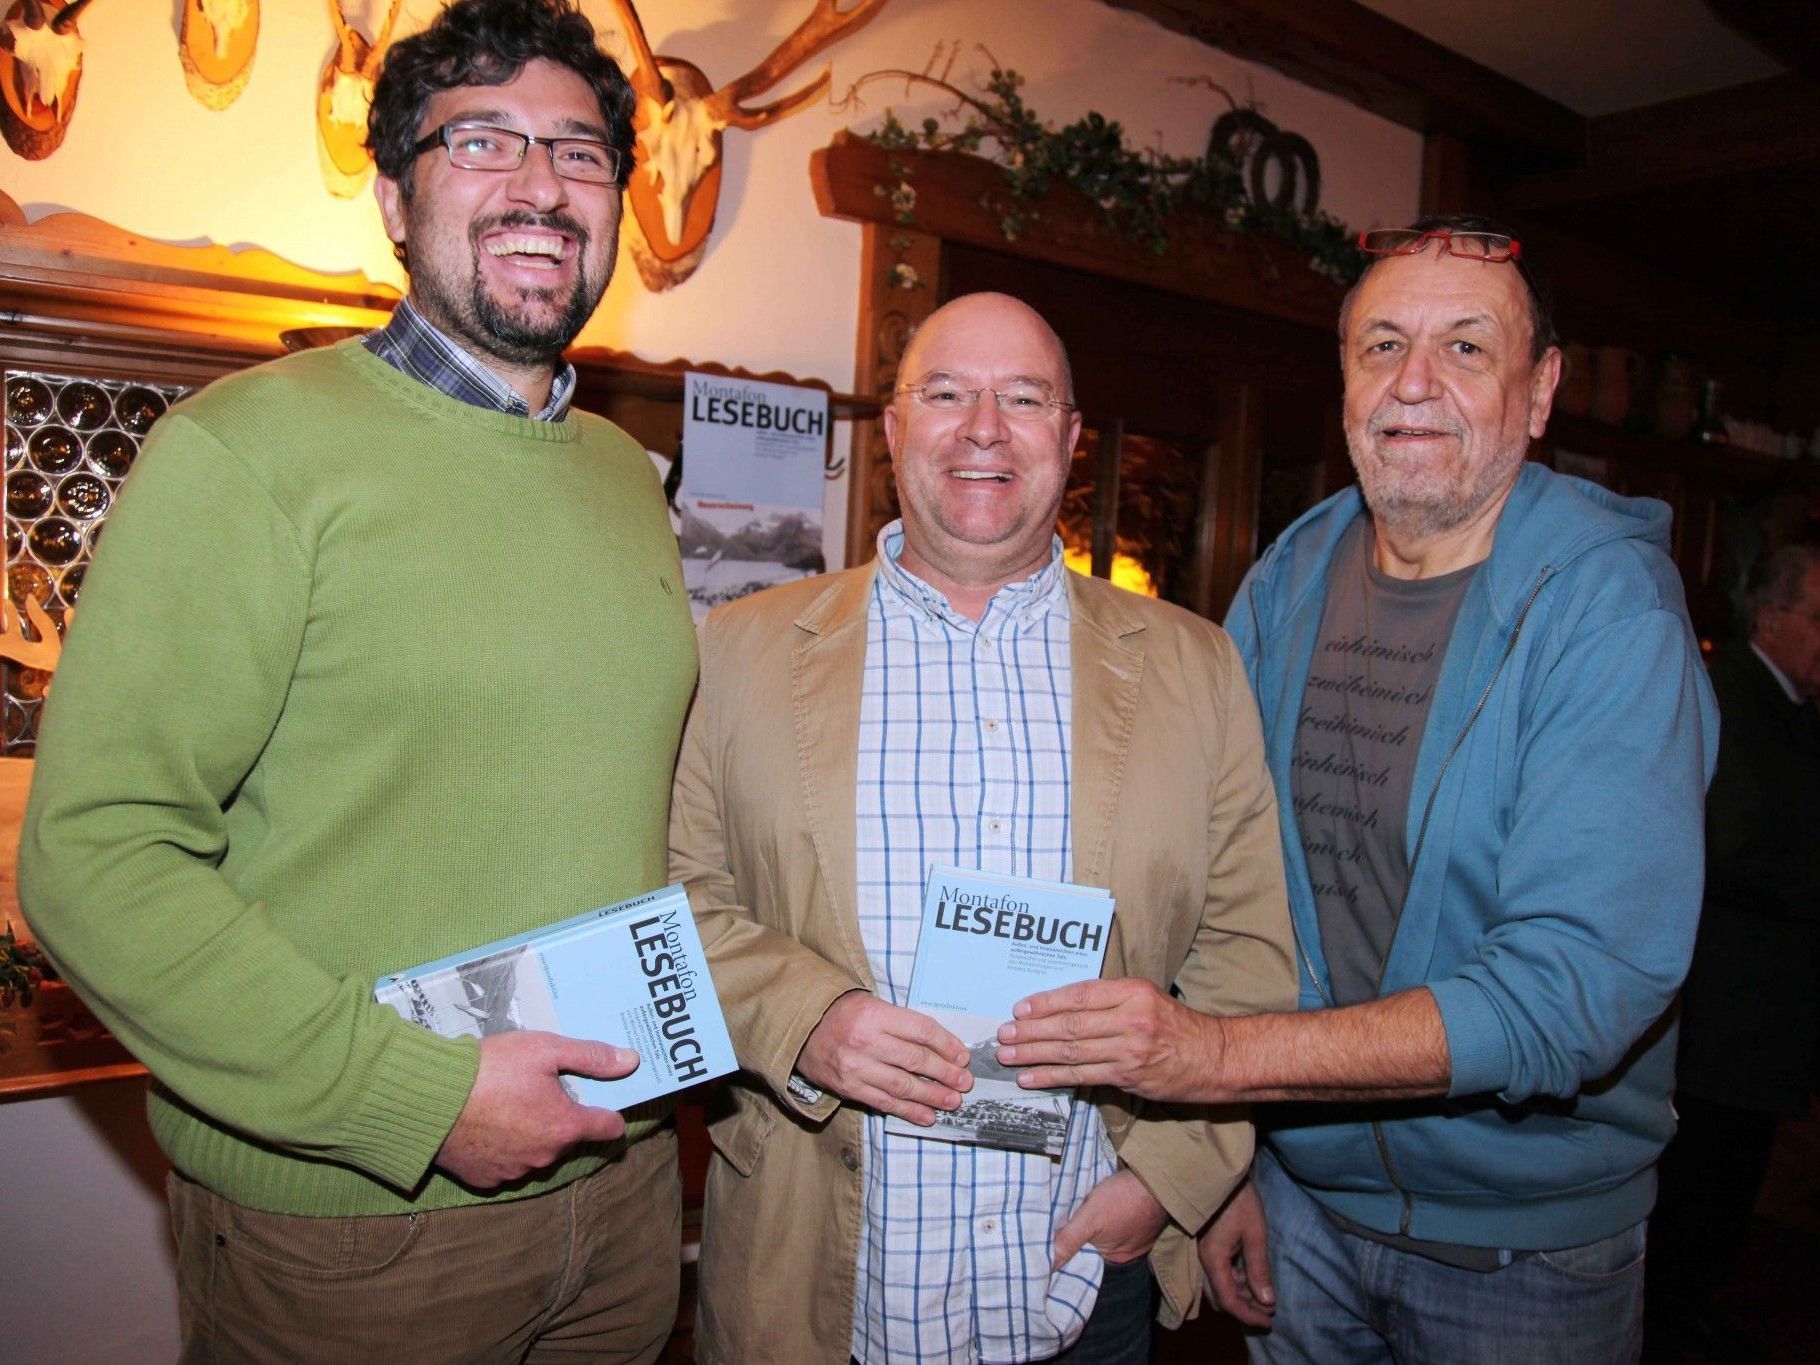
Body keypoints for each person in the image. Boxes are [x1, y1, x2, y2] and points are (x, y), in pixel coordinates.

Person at [17, 2, 697, 1360]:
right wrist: (420, 1098)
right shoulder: (247, 455)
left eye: (578, 153)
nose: (540, 186)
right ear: (393, 197)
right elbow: (93, 859)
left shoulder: (626, 480)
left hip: (623, 1192)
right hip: (362, 1223)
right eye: (482, 142)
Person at [995, 215, 1718, 1363]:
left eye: (1465, 349)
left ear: (1539, 394)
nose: (1413, 382)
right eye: (1380, 345)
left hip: (1516, 1248)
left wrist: (1215, 1066)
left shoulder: (1605, 612)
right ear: (1342, 379)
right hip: (1300, 1204)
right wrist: (1226, 1160)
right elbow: (1221, 889)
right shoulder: (1288, 573)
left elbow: (1573, 988)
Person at [670, 291, 1297, 1365]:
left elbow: (1247, 958)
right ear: (896, 428)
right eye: (947, 394)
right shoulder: (740, 650)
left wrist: (1167, 1179)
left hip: (1078, 1283)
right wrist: (806, 1020)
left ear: (1068, 437)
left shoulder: (1194, 666)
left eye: (1022, 398)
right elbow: (681, 905)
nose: (982, 429)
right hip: (812, 1280)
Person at [1647, 544, 1820, 1359]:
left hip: (1765, 1015)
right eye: (1818, 616)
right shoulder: (1730, 695)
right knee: (1697, 1187)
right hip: (1723, 1009)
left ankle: (1690, 1310)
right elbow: (1732, 841)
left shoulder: (1794, 706)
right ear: (1769, 616)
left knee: (1731, 1189)